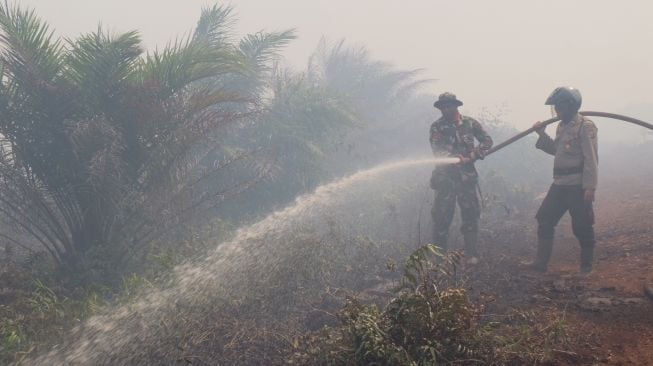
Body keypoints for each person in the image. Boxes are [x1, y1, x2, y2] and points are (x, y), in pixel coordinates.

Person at [526, 86, 598, 274]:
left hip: (577, 184)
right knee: (544, 218)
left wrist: (590, 188)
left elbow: (591, 159)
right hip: (559, 184)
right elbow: (555, 150)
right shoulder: (562, 125)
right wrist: (541, 133)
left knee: (582, 225)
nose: (557, 111)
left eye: (560, 106)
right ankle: (540, 264)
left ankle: (586, 267)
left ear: (571, 105)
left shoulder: (585, 126)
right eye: (556, 107)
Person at [429, 92, 493, 264]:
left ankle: (471, 255)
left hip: (467, 179)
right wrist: (454, 159)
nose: (445, 109)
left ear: (455, 106)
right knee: (441, 218)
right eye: (442, 107)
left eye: (448, 106)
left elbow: (487, 140)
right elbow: (437, 150)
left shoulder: (470, 123)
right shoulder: (437, 127)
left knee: (471, 215)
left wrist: (475, 154)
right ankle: (439, 259)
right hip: (445, 180)